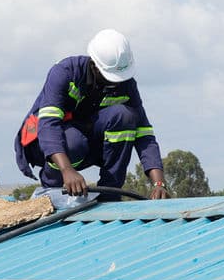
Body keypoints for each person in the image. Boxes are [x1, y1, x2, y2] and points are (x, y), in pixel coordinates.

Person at [15, 29, 169, 205]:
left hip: (86, 142)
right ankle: (52, 190)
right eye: (110, 77)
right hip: (47, 145)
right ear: (94, 65)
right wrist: (67, 170)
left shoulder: (125, 84)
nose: (116, 82)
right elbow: (49, 124)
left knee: (125, 116)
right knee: (74, 141)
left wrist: (159, 182)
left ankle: (110, 196)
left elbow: (144, 134)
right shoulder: (64, 72)